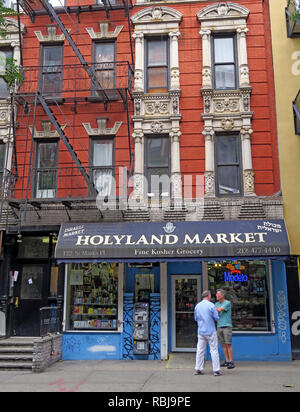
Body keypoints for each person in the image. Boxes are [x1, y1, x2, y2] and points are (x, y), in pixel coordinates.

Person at [194, 290, 221, 377]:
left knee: (200, 350)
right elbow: (216, 318)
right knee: (214, 350)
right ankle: (216, 370)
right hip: (211, 331)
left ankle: (198, 369)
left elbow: (196, 318)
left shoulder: (197, 306)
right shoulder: (211, 305)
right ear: (208, 296)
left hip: (201, 331)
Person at [215, 289, 235, 370]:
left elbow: (219, 310)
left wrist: (212, 308)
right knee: (223, 344)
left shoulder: (227, 303)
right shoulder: (216, 303)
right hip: (219, 326)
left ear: (222, 295)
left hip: (227, 326)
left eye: (217, 294)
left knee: (228, 344)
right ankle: (227, 360)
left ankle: (231, 361)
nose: (216, 295)